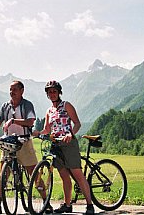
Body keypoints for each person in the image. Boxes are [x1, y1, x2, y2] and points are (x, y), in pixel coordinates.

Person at [0, 80, 52, 215]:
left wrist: (13, 120)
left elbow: (30, 121)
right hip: (8, 142)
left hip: (24, 142)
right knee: (3, 175)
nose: (12, 92)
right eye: (10, 89)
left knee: (34, 174)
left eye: (15, 89)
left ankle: (46, 202)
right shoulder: (5, 106)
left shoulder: (27, 105)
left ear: (22, 91)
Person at [33, 80, 95, 215]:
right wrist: (38, 133)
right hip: (56, 145)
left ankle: (90, 205)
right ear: (47, 95)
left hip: (69, 144)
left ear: (59, 92)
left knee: (77, 174)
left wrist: (70, 133)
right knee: (64, 177)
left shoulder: (66, 105)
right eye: (49, 92)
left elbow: (77, 123)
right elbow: (47, 129)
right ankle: (67, 205)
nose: (52, 94)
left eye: (54, 91)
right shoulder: (49, 111)